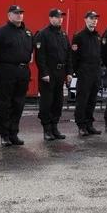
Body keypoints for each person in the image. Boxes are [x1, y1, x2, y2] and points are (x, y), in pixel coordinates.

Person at [0, 4, 34, 147]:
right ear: (9, 15)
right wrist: (1, 66)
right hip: (6, 71)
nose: (19, 15)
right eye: (16, 13)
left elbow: (30, 51)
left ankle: (13, 133)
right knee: (4, 103)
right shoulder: (0, 32)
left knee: (18, 103)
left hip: (23, 72)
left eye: (21, 12)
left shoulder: (27, 32)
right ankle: (4, 134)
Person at [35, 8, 70, 141]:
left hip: (60, 73)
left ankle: (55, 127)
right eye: (57, 16)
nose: (60, 19)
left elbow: (68, 56)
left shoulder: (63, 35)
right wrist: (44, 73)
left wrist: (69, 72)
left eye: (61, 16)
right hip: (48, 73)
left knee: (58, 101)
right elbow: (40, 56)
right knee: (47, 102)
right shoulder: (43, 34)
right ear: (50, 18)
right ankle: (47, 129)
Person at [70, 11, 103, 137]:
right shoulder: (79, 36)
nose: (94, 21)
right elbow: (74, 56)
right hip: (84, 72)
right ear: (85, 20)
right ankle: (81, 126)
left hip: (95, 72)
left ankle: (89, 125)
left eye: (95, 18)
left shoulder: (97, 36)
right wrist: (77, 72)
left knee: (92, 100)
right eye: (91, 18)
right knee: (82, 100)